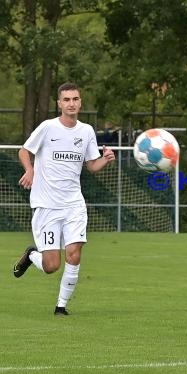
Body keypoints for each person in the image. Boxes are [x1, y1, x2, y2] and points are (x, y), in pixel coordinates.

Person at [13, 82, 116, 315]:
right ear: (59, 103)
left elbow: (92, 165)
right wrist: (29, 170)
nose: (71, 103)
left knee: (74, 253)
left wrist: (106, 159)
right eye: (67, 99)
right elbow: (23, 150)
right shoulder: (48, 128)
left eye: (75, 99)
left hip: (73, 205)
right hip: (47, 205)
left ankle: (61, 306)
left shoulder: (86, 131)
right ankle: (32, 255)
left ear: (80, 102)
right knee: (52, 266)